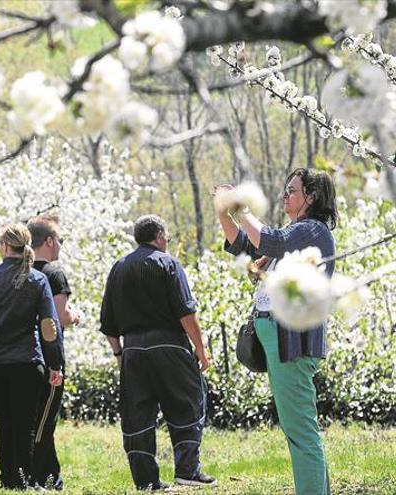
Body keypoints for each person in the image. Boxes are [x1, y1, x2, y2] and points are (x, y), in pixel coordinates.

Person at [215, 168, 338, 495]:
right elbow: (246, 248)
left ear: (310, 197)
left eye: (291, 190)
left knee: (300, 432)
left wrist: (242, 208)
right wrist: (224, 211)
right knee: (299, 428)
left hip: (291, 339)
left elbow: (271, 241)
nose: (285, 195)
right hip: (281, 336)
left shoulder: (311, 230)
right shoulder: (297, 231)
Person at [99, 215, 215, 491]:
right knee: (188, 403)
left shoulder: (119, 268)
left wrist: (119, 355)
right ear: (160, 236)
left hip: (134, 349)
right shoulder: (169, 263)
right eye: (168, 237)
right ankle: (187, 471)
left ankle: (146, 481)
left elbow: (108, 323)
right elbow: (186, 312)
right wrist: (201, 349)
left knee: (137, 412)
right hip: (170, 345)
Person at [0, 224, 65, 491]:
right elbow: (48, 325)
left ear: (3, 246)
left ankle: (7, 479)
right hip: (25, 362)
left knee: (3, 421)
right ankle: (23, 481)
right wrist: (55, 363)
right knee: (25, 424)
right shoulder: (36, 280)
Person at [26, 215, 79, 491]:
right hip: (49, 357)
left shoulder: (19, 270)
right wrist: (75, 315)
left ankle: (35, 474)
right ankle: (43, 476)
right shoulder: (53, 273)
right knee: (46, 420)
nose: (61, 244)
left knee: (29, 418)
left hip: (22, 355)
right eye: (60, 239)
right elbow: (59, 316)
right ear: (48, 241)